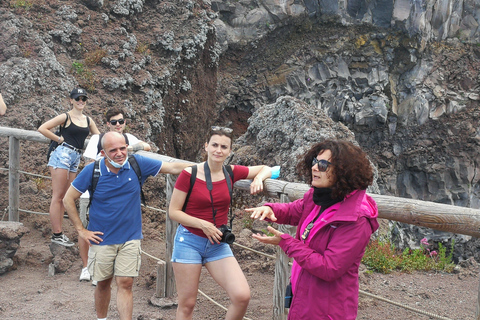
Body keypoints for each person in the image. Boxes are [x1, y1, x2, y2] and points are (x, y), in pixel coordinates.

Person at [63, 131, 190, 320]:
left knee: (125, 283)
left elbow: (172, 168)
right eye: (113, 150)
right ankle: (102, 318)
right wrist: (82, 231)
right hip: (101, 238)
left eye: (123, 148)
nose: (119, 153)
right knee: (103, 283)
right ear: (103, 153)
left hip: (130, 237)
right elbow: (68, 199)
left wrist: (206, 166)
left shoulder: (136, 163)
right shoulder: (92, 171)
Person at [247, 139, 379, 320]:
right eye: (314, 162)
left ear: (343, 170)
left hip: (328, 309)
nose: (315, 168)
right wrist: (271, 209)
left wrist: (286, 243)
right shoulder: (321, 197)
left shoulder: (356, 219)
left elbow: (329, 268)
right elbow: (295, 210)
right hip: (305, 296)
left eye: (323, 164)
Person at [168, 126, 274, 320]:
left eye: (224, 147)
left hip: (217, 244)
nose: (218, 150)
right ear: (206, 146)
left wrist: (259, 178)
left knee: (242, 296)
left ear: (230, 151)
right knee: (187, 304)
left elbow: (266, 168)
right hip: (190, 241)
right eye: (214, 145)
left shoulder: (230, 172)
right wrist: (203, 224)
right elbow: (173, 212)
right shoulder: (189, 174)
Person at [78, 108, 151, 283]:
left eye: (121, 121)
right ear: (107, 124)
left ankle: (103, 269)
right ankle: (87, 266)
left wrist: (128, 147)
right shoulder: (97, 139)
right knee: (87, 228)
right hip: (94, 189)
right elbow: (89, 161)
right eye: (113, 122)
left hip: (118, 191)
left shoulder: (128, 139)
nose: (118, 125)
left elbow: (148, 146)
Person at [38, 88, 99, 247]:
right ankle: (57, 234)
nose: (80, 101)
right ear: (70, 100)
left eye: (83, 98)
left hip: (76, 157)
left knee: (67, 196)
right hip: (62, 154)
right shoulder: (65, 117)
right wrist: (58, 139)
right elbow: (43, 128)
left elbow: (98, 137)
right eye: (77, 98)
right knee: (58, 195)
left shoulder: (88, 120)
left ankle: (60, 234)